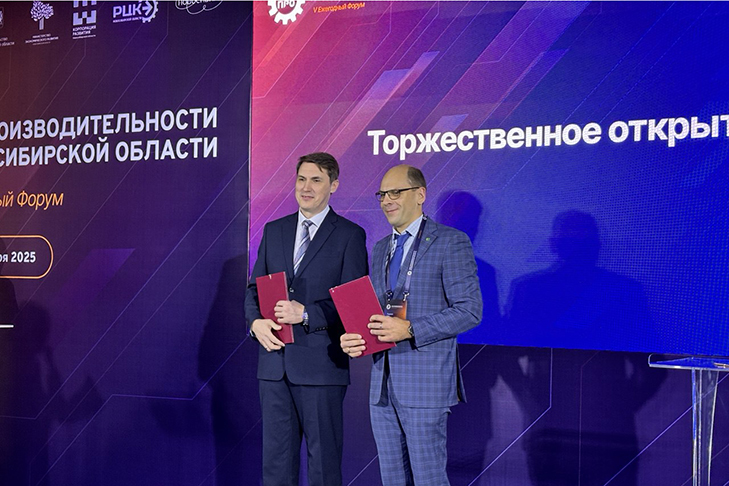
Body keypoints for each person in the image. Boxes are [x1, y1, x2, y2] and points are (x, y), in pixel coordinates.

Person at [340, 165, 482, 486]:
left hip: (425, 386)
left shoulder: (450, 242)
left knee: (428, 479)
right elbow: (379, 312)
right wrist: (355, 337)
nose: (386, 200)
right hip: (382, 386)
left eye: (395, 192)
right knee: (392, 479)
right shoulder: (380, 248)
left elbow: (469, 310)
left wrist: (411, 329)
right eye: (382, 194)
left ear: (420, 195)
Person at [245, 152, 368, 486]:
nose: (306, 187)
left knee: (323, 466)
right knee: (276, 465)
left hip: (321, 367)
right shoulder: (275, 230)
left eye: (316, 180)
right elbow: (254, 289)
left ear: (334, 185)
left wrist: (307, 313)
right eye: (301, 179)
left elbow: (354, 305)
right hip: (274, 366)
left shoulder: (349, 235)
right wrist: (255, 323)